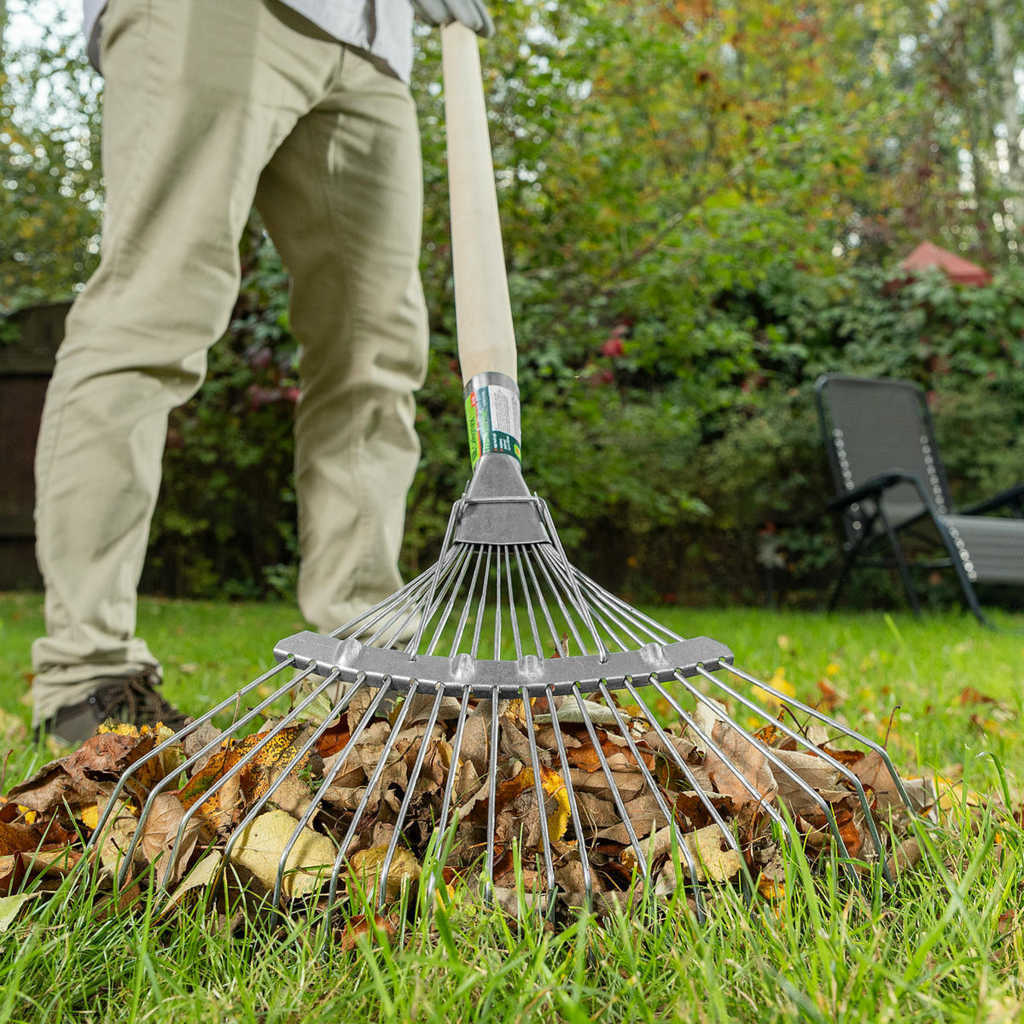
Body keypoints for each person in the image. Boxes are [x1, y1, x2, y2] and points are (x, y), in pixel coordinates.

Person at [31, 0, 493, 744]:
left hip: (372, 43)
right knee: (153, 313)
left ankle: (370, 657)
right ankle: (88, 674)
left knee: (376, 349)